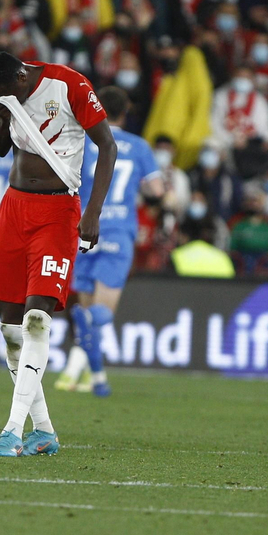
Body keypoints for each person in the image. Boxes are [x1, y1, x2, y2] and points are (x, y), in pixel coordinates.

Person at [0, 51, 115, 457]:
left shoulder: (69, 84)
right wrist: (3, 118)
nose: (8, 98)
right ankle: (44, 431)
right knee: (10, 328)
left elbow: (107, 146)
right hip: (14, 207)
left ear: (22, 74)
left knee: (38, 319)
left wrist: (93, 212)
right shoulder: (3, 91)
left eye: (12, 92)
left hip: (58, 212)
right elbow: (0, 148)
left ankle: (11, 431)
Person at [54, 87, 164, 398]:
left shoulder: (82, 141)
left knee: (87, 307)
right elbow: (156, 190)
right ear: (126, 110)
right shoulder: (139, 146)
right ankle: (75, 370)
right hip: (118, 232)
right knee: (102, 312)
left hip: (85, 228)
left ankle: (88, 374)